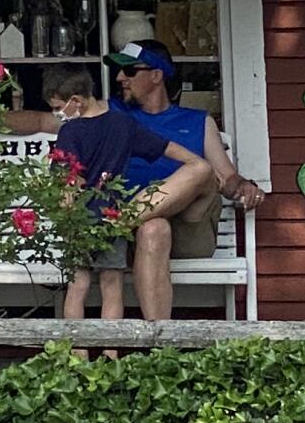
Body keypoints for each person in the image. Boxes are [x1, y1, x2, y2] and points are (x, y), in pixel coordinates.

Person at [105, 41, 263, 318]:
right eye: (119, 71)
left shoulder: (197, 121)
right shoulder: (111, 114)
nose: (120, 78)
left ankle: (121, 221)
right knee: (154, 228)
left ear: (156, 75)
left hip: (189, 229)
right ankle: (159, 347)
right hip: (134, 239)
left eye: (129, 71)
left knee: (201, 170)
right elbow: (44, 121)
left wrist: (244, 186)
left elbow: (227, 178)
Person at [34, 67, 201, 326]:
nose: (58, 113)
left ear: (75, 101)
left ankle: (76, 353)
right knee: (112, 286)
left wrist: (66, 217)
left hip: (79, 219)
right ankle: (110, 356)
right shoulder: (123, 124)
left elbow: (67, 181)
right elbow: (163, 147)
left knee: (77, 286)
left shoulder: (71, 132)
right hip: (114, 217)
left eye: (58, 107)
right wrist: (195, 162)